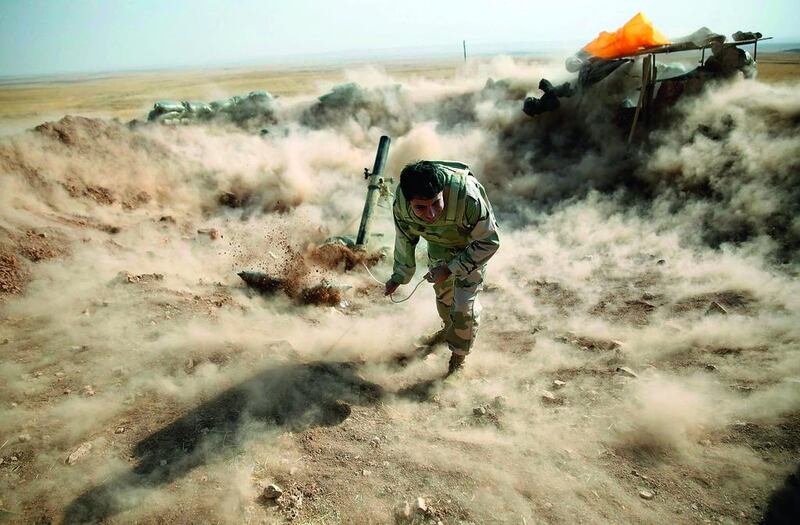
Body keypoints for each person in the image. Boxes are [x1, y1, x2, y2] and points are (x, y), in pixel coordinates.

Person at [384, 160, 500, 375]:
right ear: (409, 202)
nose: (431, 214)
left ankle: (458, 358)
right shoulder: (401, 203)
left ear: (442, 192)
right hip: (439, 248)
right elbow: (404, 238)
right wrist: (399, 276)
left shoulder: (467, 196)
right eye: (420, 207)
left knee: (464, 306)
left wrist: (450, 269)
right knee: (445, 299)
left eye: (436, 203)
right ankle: (448, 330)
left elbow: (489, 241)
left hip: (471, 248)